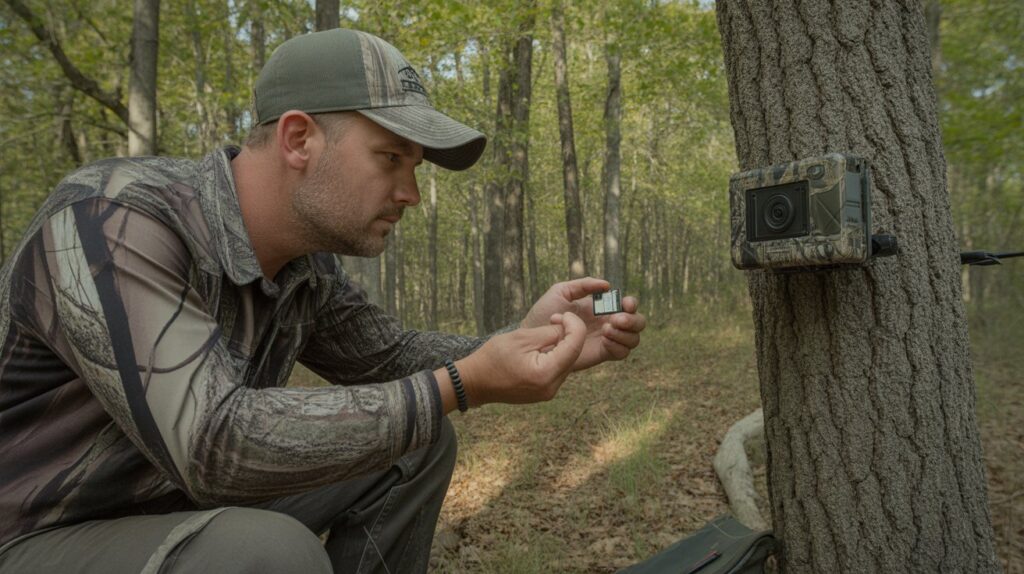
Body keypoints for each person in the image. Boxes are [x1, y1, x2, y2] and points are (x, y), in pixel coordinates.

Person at [0, 28, 645, 573]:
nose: (410, 194)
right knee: (266, 552)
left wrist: (526, 336)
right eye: (390, 157)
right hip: (37, 532)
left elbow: (391, 359)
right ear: (299, 139)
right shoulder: (111, 219)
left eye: (414, 167)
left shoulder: (304, 265)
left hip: (170, 506)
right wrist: (464, 381)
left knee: (417, 444)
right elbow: (211, 444)